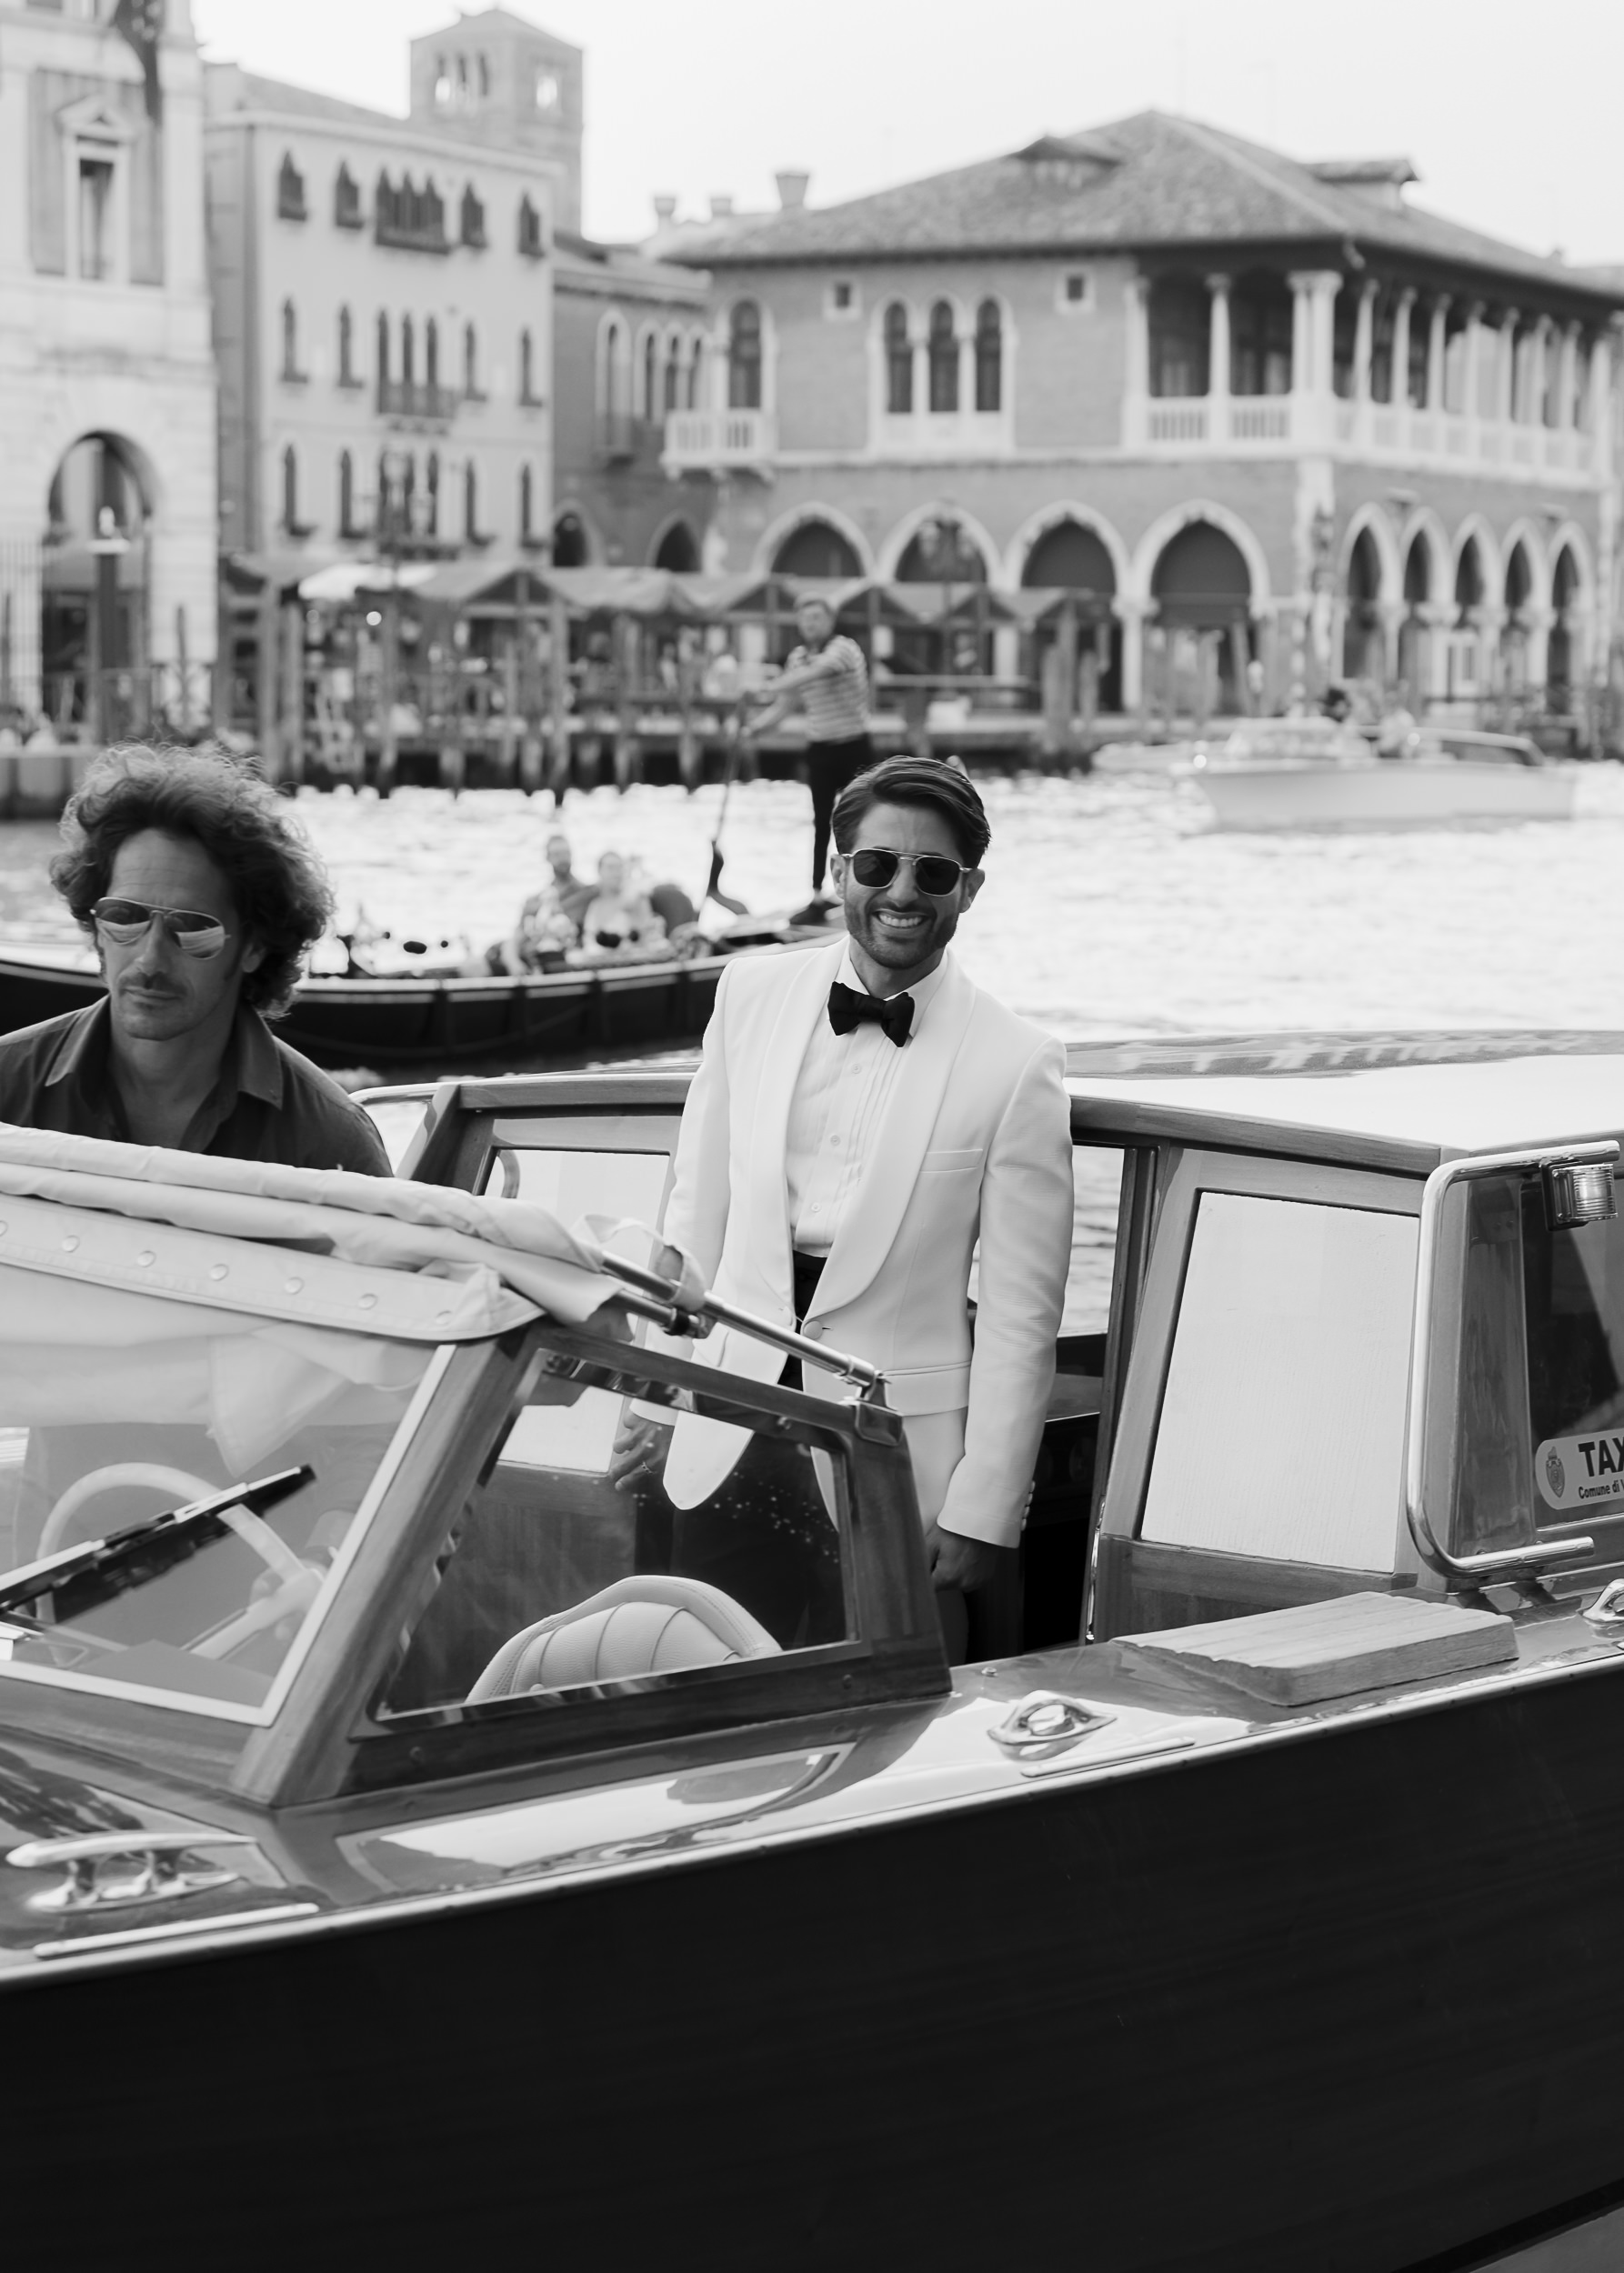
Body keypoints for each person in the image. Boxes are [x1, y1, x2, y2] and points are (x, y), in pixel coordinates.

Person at [620, 755, 1074, 1657]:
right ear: (837, 872)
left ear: (969, 889)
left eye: (932, 872)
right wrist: (659, 1399)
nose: (901, 892)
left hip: (894, 1463)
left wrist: (984, 1508)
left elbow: (1021, 1314)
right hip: (725, 1430)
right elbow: (693, 1219)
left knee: (880, 1717)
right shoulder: (747, 994)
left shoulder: (1017, 1061)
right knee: (704, 1696)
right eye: (877, 865)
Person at [0, 744, 388, 1172]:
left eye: (191, 928)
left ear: (255, 946)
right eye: (124, 918)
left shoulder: (330, 1144)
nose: (150, 960)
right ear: (96, 926)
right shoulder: (6, 1088)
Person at [742, 595, 871, 920]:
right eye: (805, 618)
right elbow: (787, 704)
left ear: (830, 621)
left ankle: (862, 889)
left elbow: (817, 672)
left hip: (853, 747)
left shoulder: (844, 649)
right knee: (820, 822)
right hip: (820, 749)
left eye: (817, 617)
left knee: (858, 823)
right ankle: (816, 895)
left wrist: (766, 687)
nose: (810, 624)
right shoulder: (797, 658)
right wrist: (754, 728)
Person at [497, 830, 596, 969]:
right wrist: (514, 963)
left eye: (566, 853)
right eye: (557, 854)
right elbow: (516, 938)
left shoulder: (587, 894)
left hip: (563, 960)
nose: (563, 859)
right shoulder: (535, 901)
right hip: (530, 960)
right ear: (547, 858)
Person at [577, 850, 666, 956]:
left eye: (619, 868)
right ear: (600, 872)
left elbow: (650, 936)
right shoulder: (595, 905)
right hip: (604, 960)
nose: (616, 873)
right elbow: (589, 942)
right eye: (610, 868)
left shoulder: (636, 899)